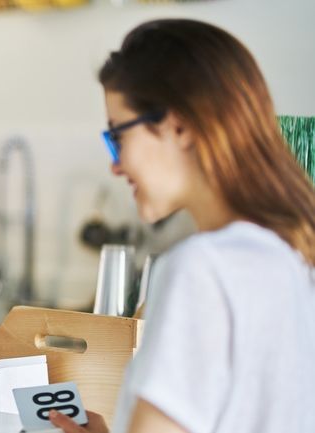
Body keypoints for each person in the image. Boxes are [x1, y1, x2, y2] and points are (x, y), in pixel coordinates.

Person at [50, 19, 315, 433]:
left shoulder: (203, 267)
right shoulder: (294, 256)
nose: (115, 164)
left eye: (118, 135)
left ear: (180, 126)